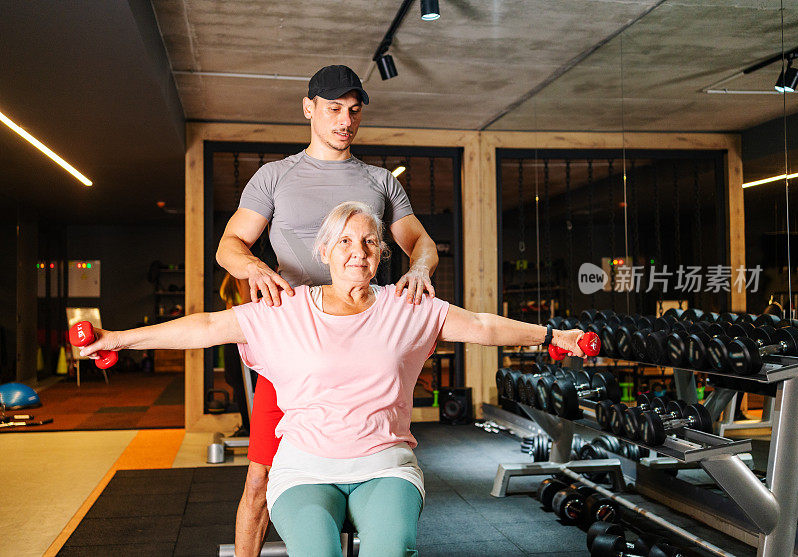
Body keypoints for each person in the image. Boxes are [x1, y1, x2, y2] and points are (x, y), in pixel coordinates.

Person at [80, 201, 588, 557]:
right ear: (324, 252)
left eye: (368, 241)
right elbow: (207, 326)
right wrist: (117, 339)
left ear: (380, 256)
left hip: (384, 464)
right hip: (304, 468)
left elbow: (480, 325)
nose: (357, 250)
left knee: (392, 549)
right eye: (344, 240)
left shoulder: (407, 306)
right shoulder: (285, 309)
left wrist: (551, 335)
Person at [215, 64, 440, 556]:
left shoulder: (381, 181)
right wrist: (252, 268)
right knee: (259, 478)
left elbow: (420, 242)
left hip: (363, 350)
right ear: (308, 109)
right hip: (295, 349)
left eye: (354, 111)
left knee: (373, 476)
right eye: (334, 109)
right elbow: (229, 244)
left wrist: (420, 268)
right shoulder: (274, 177)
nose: (345, 120)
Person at [219, 273, 252, 435]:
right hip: (230, 332)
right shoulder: (229, 277)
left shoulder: (242, 276)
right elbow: (229, 305)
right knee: (233, 379)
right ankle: (246, 424)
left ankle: (249, 426)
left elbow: (247, 303)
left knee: (240, 381)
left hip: (241, 332)